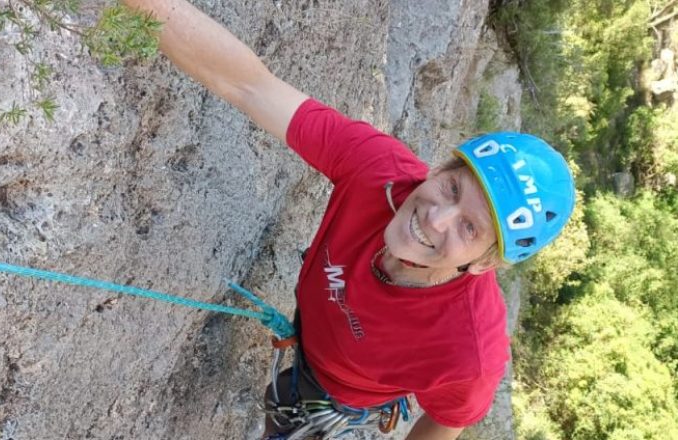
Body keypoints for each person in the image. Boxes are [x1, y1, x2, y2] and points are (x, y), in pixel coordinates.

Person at [122, 1, 576, 439]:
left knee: (287, 412)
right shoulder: (378, 169)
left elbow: (448, 420)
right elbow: (250, 85)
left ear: (483, 264)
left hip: (332, 400)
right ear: (438, 170)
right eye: (452, 188)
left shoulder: (469, 350)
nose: (436, 218)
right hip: (314, 349)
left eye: (469, 228)